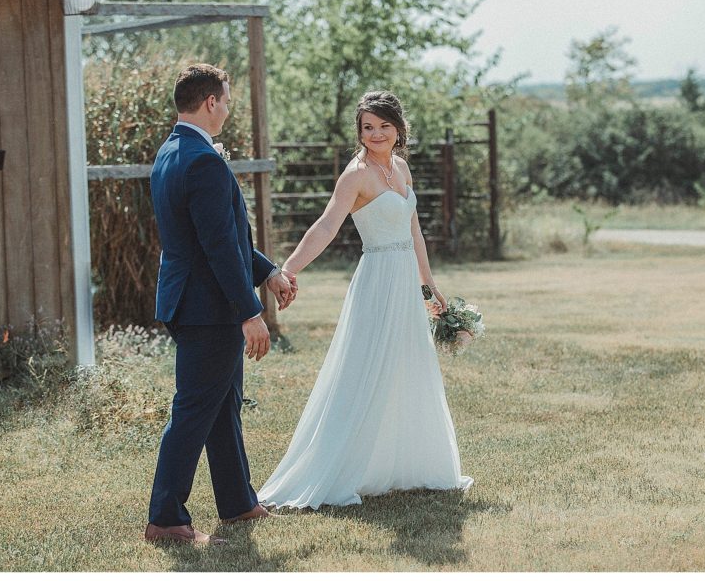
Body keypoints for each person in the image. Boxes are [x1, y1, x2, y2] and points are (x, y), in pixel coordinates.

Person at [256, 90, 473, 510]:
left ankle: (406, 464)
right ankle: (338, 468)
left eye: (383, 126)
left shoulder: (401, 168)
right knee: (364, 368)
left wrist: (427, 284)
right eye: (367, 127)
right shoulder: (355, 176)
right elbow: (326, 226)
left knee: (409, 366)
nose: (374, 134)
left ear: (398, 129)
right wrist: (289, 269)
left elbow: (414, 233)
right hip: (376, 281)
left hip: (405, 281)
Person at [144, 63, 297, 545]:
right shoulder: (204, 160)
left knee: (222, 406)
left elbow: (223, 237)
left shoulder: (170, 152)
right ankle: (165, 518)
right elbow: (217, 247)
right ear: (210, 102)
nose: (228, 110)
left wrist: (268, 272)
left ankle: (237, 503)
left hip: (185, 301)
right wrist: (250, 312)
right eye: (227, 102)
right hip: (208, 310)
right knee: (193, 411)